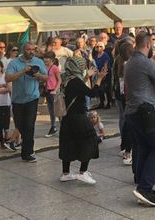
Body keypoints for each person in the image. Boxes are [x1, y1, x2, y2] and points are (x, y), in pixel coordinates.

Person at [124, 32, 155, 207]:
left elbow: (140, 85)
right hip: (145, 112)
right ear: (148, 45)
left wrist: (153, 90)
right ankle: (144, 188)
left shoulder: (130, 62)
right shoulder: (145, 62)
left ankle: (144, 185)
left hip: (132, 111)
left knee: (144, 147)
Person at [59, 56, 108, 184]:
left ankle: (65, 173)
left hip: (67, 118)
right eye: (83, 66)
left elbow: (78, 89)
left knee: (68, 143)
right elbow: (92, 93)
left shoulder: (66, 78)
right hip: (78, 117)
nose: (84, 68)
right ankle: (83, 172)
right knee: (90, 141)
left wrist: (87, 75)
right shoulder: (75, 81)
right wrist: (99, 78)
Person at [5, 43, 48, 163]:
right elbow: (8, 78)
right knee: (20, 125)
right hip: (17, 99)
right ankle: (27, 146)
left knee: (29, 125)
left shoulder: (38, 61)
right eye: (29, 49)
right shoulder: (14, 63)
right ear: (23, 50)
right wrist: (23, 71)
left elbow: (47, 77)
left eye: (33, 49)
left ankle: (27, 152)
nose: (31, 52)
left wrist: (37, 75)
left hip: (32, 98)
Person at [44, 51, 61, 137]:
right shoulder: (44, 67)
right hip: (48, 90)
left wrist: (56, 89)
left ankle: (62, 126)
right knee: (51, 111)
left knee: (58, 110)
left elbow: (59, 80)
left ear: (52, 60)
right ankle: (53, 127)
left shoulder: (54, 68)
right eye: (45, 57)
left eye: (48, 58)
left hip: (54, 90)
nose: (46, 59)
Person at [92, 42, 113, 109]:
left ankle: (109, 103)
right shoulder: (95, 56)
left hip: (106, 73)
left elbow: (106, 65)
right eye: (97, 46)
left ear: (103, 47)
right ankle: (102, 102)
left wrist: (103, 74)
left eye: (100, 46)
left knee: (107, 89)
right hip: (98, 73)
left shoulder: (105, 55)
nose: (99, 48)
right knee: (100, 88)